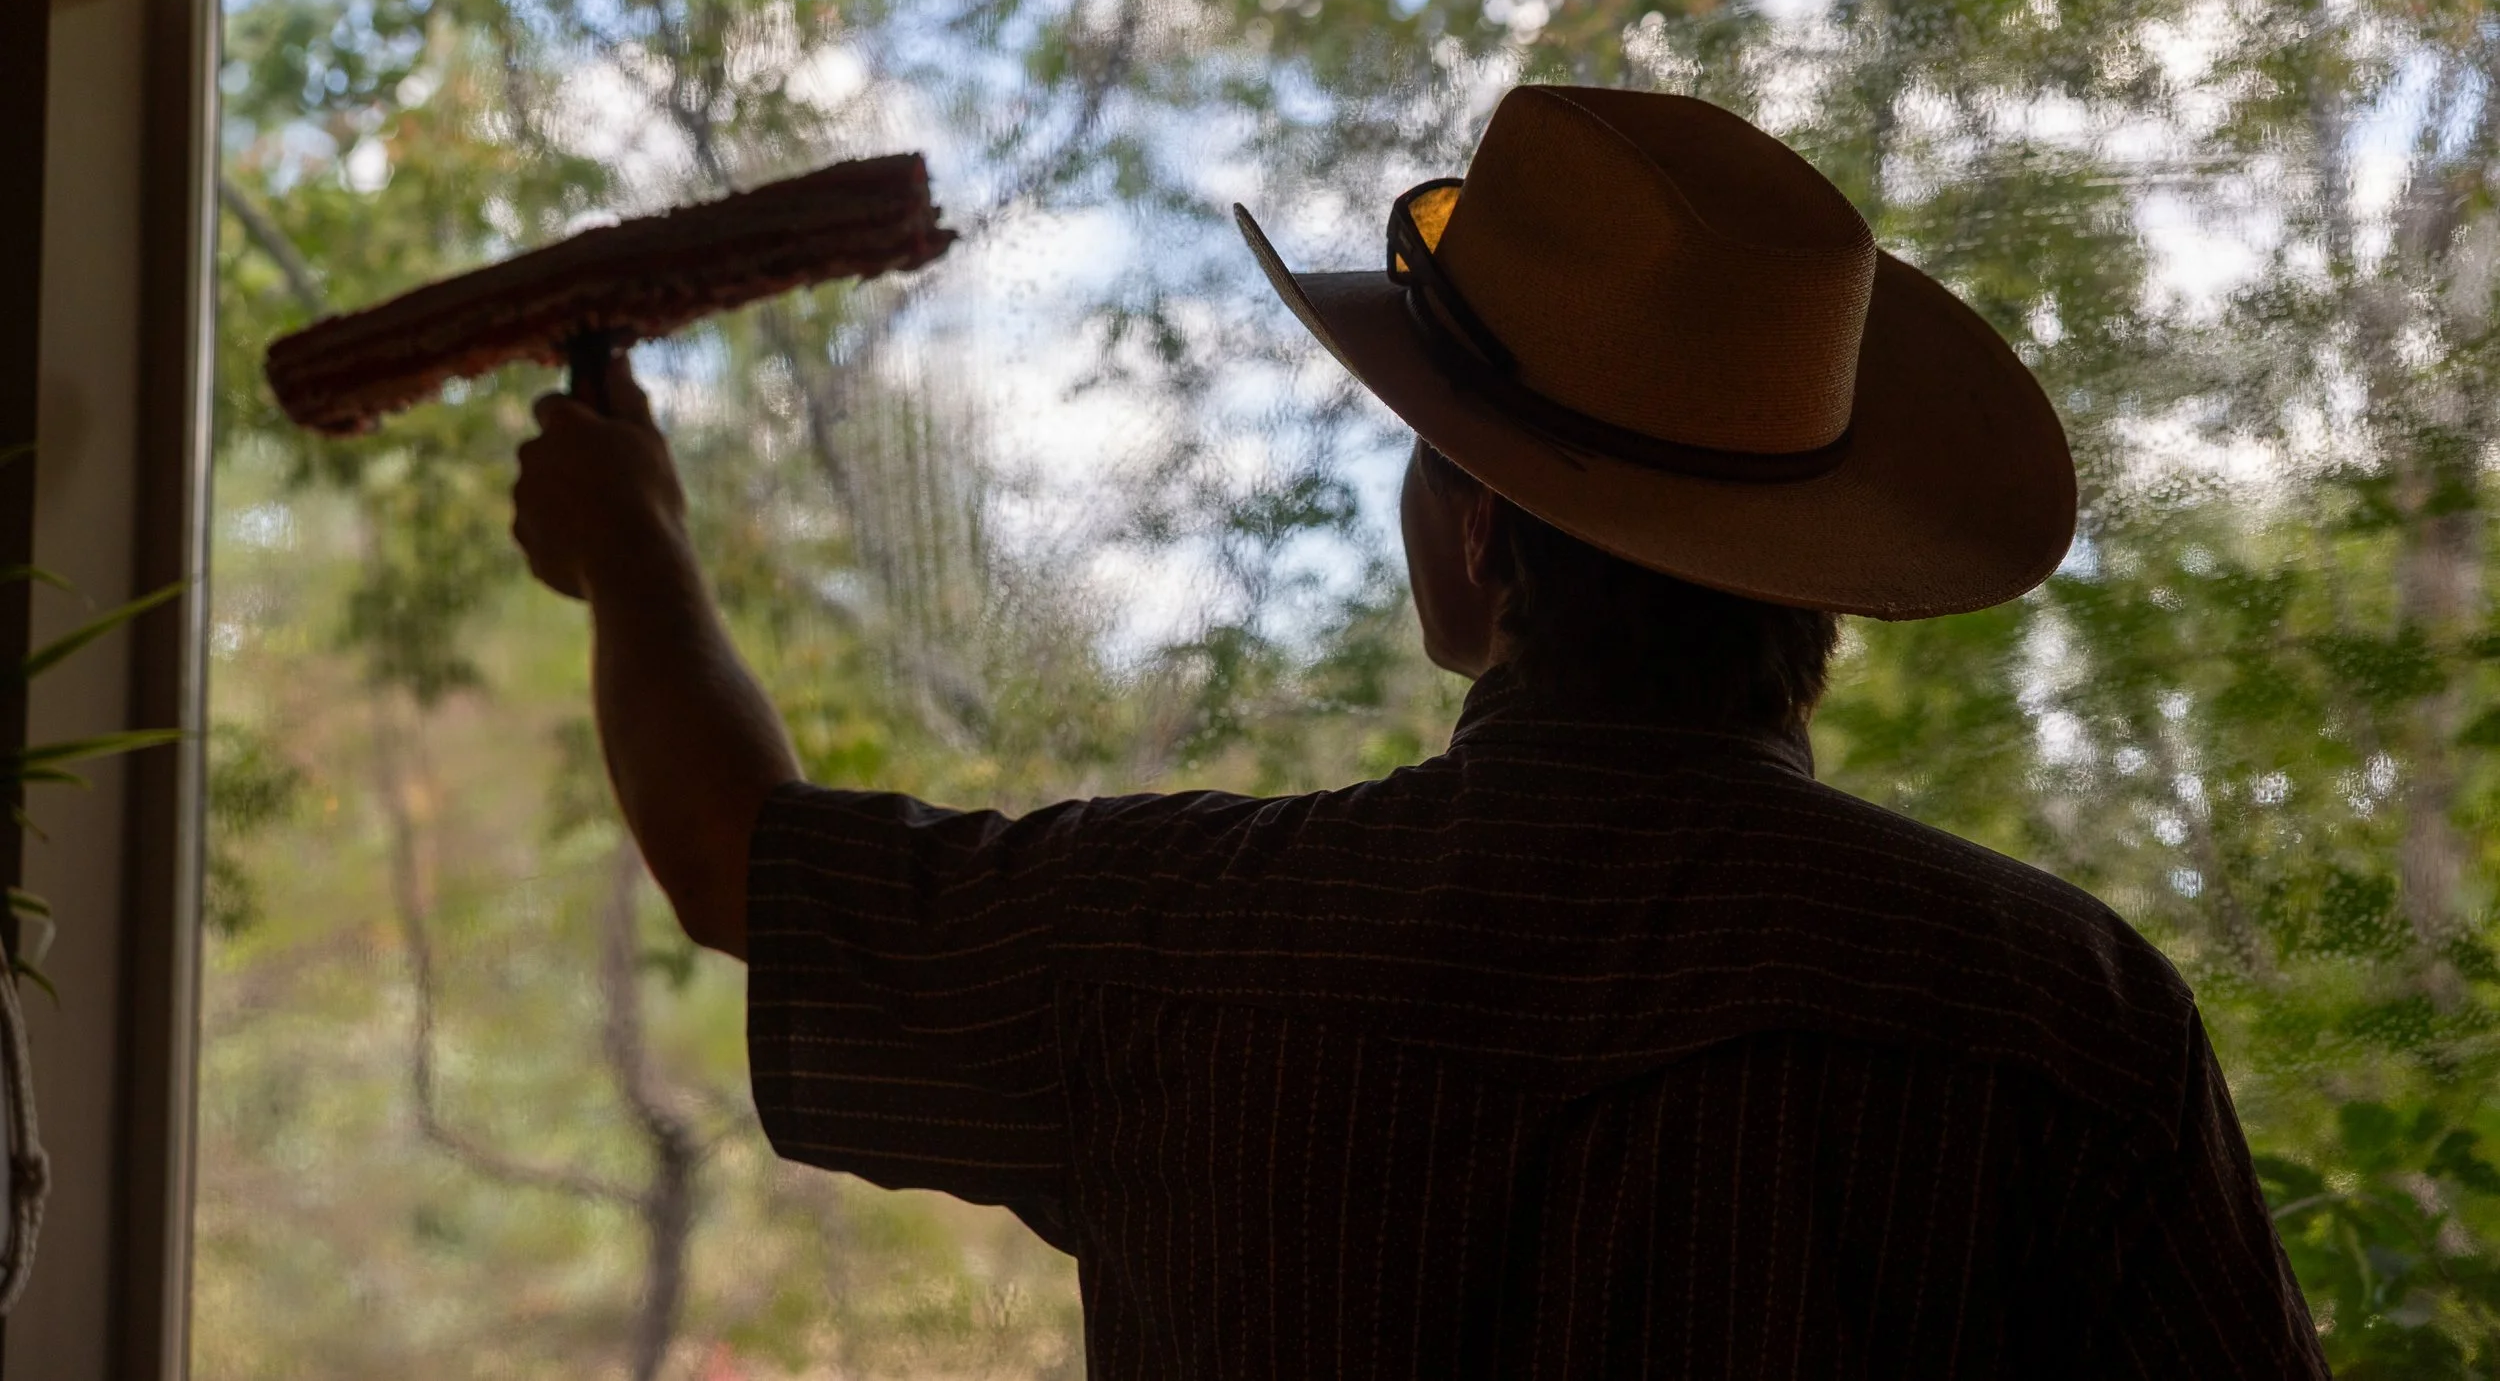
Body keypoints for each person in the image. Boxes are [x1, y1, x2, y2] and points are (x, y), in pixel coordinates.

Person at [511, 85, 2328, 1378]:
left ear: (1479, 538)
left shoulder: (1170, 944)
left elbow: (739, 857)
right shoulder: (2064, 1017)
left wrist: (635, 545)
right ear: (1813, 585)